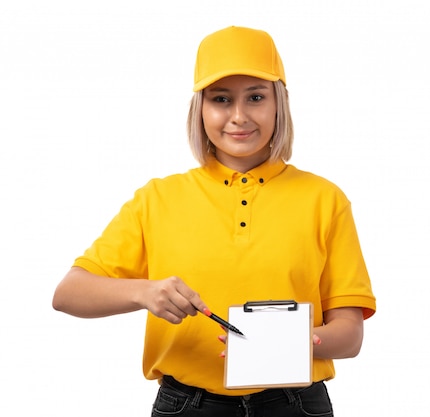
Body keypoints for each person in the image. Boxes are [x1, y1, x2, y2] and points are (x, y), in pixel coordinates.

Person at [52, 25, 376, 417]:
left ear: (279, 104)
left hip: (296, 405)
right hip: (188, 406)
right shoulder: (157, 199)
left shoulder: (325, 199)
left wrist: (294, 341)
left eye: (255, 97)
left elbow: (351, 335)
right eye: (221, 99)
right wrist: (145, 293)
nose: (238, 116)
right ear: (200, 109)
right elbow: (68, 293)